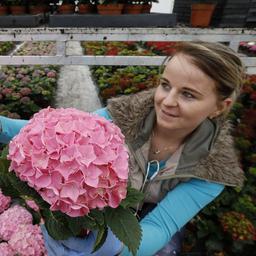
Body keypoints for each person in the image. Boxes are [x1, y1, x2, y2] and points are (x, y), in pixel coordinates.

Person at [0, 41, 245, 256]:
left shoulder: (215, 169)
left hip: (151, 214)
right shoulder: (126, 115)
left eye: (188, 95)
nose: (168, 101)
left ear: (219, 107)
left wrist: (116, 248)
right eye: (166, 85)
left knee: (166, 249)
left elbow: (161, 225)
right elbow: (64, 133)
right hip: (102, 204)